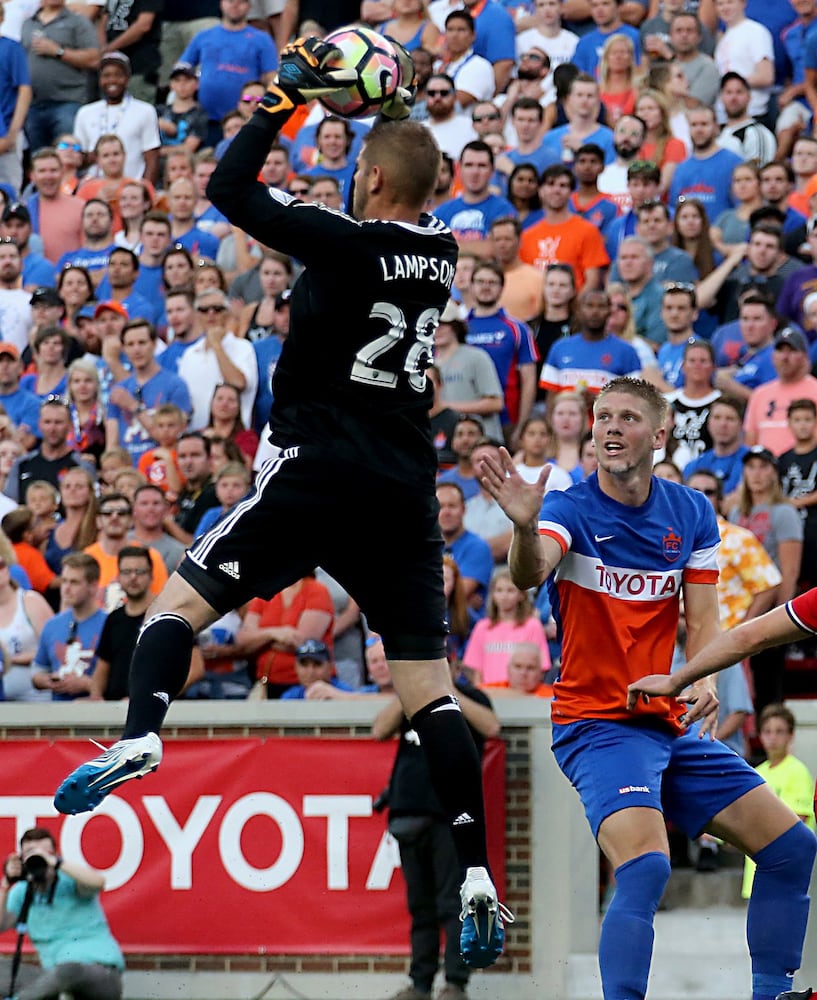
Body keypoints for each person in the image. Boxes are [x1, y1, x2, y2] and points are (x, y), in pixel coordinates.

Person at [54, 39, 510, 969]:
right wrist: (384, 106)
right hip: (401, 490)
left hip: (316, 468)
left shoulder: (351, 238)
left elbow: (228, 189)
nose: (345, 178)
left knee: (173, 608)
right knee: (429, 691)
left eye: (355, 169)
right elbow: (400, 170)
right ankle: (475, 873)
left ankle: (141, 735)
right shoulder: (442, 248)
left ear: (373, 180)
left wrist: (284, 96)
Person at [480, 375, 817, 1000]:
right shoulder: (567, 509)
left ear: (660, 434)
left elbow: (706, 619)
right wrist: (524, 530)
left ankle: (772, 994)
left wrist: (705, 676)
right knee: (647, 864)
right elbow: (531, 572)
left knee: (792, 848)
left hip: (666, 720)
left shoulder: (690, 511)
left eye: (627, 418)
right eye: (602, 416)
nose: (609, 426)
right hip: (596, 726)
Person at [374, 656, 500, 1000]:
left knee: (452, 903)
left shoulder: (470, 697)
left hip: (452, 818)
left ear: (456, 665)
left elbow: (491, 726)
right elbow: (379, 729)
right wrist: (411, 688)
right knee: (421, 906)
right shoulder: (411, 697)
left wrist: (447, 689)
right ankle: (420, 984)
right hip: (409, 812)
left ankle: (455, 984)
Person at [0, 825, 124, 1000]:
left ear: (54, 855)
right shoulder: (23, 891)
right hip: (52, 975)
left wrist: (54, 862)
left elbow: (98, 882)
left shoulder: (71, 880)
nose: (38, 857)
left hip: (98, 974)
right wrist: (6, 884)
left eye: (44, 852)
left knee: (68, 970)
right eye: (31, 853)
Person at [728, 445, 804, 711]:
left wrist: (782, 617)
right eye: (751, 467)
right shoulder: (738, 513)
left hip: (770, 608)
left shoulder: (784, 512)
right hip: (741, 608)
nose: (757, 474)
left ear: (775, 473)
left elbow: (790, 569)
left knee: (768, 682)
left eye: (763, 467)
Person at [741, 704, 816, 894]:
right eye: (767, 731)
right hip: (757, 872)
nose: (772, 738)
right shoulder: (756, 773)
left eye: (779, 731)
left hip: (787, 872)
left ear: (791, 735)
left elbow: (796, 821)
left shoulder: (797, 772)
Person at [72, 52, 160, 185]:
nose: (112, 80)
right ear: (100, 79)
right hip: (95, 191)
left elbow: (152, 159)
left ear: (127, 78)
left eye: (118, 75)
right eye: (106, 75)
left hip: (130, 191)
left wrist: (145, 193)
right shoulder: (85, 113)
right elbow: (80, 159)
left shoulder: (145, 111)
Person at [31, 552, 107, 700]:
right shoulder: (52, 625)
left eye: (74, 582)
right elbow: (37, 671)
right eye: (64, 581)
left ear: (93, 586)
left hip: (98, 715)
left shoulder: (110, 625)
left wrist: (87, 684)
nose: (66, 588)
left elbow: (121, 681)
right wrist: (47, 681)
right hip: (58, 716)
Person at [463, 568, 550, 684]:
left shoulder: (532, 626)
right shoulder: (482, 627)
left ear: (521, 595)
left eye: (510, 591)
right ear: (492, 595)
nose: (504, 596)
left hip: (520, 696)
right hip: (490, 693)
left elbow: (540, 668)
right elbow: (476, 671)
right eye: (499, 590)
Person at [83, 492, 168, 610]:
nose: (114, 517)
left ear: (131, 520)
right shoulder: (87, 557)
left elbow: (160, 602)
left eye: (121, 513)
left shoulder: (150, 557)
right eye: (108, 513)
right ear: (98, 521)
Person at [778, 399, 817, 590]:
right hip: (791, 533)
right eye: (797, 420)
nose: (802, 425)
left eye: (807, 419)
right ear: (789, 423)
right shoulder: (784, 458)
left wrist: (798, 502)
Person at [481, 642, 555, 697]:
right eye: (518, 666)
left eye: (530, 668)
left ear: (541, 673)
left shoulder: (554, 696)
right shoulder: (489, 689)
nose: (523, 673)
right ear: (508, 669)